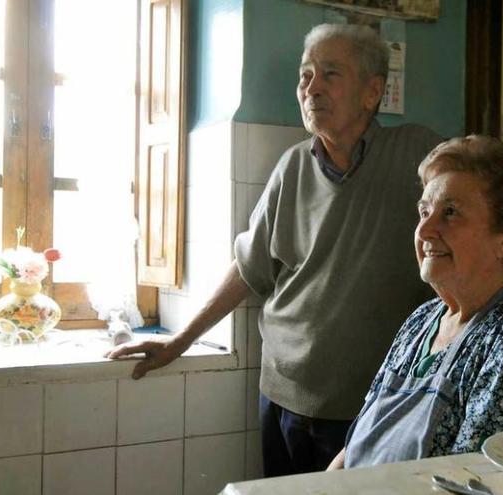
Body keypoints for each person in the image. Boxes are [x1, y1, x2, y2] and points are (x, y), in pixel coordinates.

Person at [106, 23, 443, 475]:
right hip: (282, 393)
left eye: (330, 74)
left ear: (372, 92)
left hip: (372, 402)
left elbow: (486, 219)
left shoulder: (417, 155)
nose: (311, 88)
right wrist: (180, 341)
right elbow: (249, 268)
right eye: (305, 76)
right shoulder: (291, 168)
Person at [327, 135, 503, 470]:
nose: (425, 230)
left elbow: (475, 481)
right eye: (424, 211)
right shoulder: (422, 321)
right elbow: (355, 446)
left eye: (451, 213)